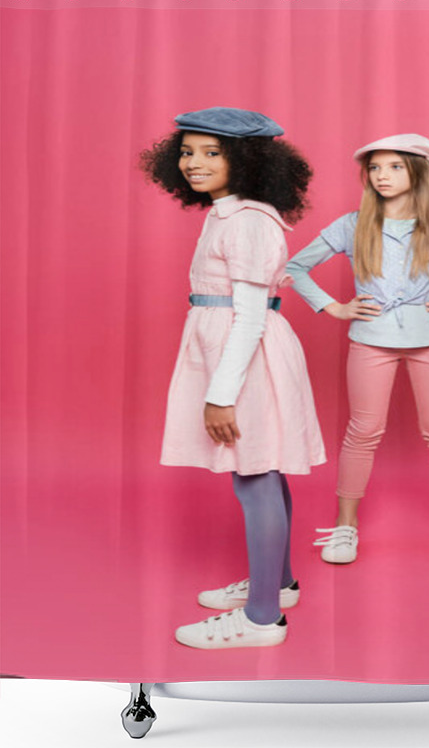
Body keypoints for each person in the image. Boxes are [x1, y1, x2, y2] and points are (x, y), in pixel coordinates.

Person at [286, 133, 429, 566]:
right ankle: (345, 527)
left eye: (394, 166)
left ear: (418, 172)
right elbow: (295, 266)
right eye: (375, 167)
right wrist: (333, 306)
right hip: (370, 341)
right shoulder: (351, 224)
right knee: (363, 431)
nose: (382, 176)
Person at [140, 106, 325, 649]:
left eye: (211, 153)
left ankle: (263, 618)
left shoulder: (247, 221)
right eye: (187, 151)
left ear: (245, 160)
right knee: (262, 465)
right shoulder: (227, 212)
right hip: (226, 340)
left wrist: (221, 395)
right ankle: (280, 583)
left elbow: (248, 315)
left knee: (253, 474)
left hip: (244, 352)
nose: (193, 162)